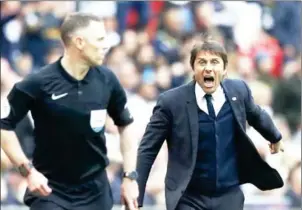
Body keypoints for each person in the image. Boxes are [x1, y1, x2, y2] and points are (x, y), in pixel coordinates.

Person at [1, 13, 139, 210]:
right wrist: (27, 171)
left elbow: (125, 125)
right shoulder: (38, 82)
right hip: (50, 192)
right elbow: (3, 125)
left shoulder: (107, 80)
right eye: (100, 39)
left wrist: (130, 177)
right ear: (79, 42)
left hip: (96, 194)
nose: (105, 44)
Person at [136, 37, 285, 210]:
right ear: (193, 68)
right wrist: (136, 197)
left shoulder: (239, 91)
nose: (208, 68)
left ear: (225, 69)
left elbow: (257, 115)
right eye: (202, 62)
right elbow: (148, 149)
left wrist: (275, 137)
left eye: (214, 62)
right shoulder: (171, 102)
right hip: (188, 197)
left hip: (229, 195)